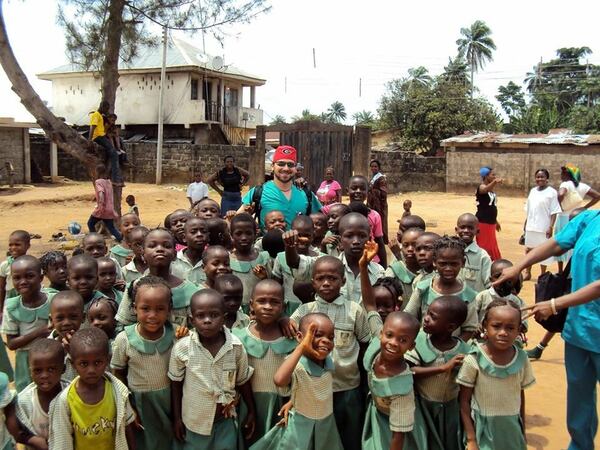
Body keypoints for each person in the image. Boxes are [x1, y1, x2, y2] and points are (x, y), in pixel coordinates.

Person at [494, 207, 600, 450]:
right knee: (580, 402)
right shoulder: (591, 219)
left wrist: (555, 303)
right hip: (580, 329)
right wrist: (519, 266)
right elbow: (556, 244)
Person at [289, 256, 375, 450]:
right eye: (320, 278)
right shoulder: (304, 311)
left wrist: (361, 380)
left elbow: (363, 344)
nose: (326, 283)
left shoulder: (354, 311)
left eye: (332, 278)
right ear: (313, 282)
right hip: (314, 389)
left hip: (347, 386)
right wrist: (282, 321)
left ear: (343, 281)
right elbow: (289, 329)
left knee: (350, 435)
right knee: (321, 437)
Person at [168, 289, 256, 448]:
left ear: (224, 318)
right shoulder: (183, 348)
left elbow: (242, 380)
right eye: (201, 316)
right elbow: (175, 384)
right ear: (192, 320)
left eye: (214, 315)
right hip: (194, 422)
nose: (207, 320)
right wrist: (177, 419)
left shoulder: (235, 347)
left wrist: (251, 411)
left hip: (225, 420)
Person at [251, 313, 343, 450]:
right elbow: (279, 380)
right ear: (300, 337)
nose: (326, 341)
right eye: (317, 335)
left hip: (326, 423)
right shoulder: (296, 365)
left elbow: (312, 389)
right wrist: (301, 347)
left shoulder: (328, 362)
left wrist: (293, 401)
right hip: (301, 424)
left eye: (330, 337)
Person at [457, 299, 535, 450]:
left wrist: (522, 430)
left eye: (510, 328)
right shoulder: (474, 359)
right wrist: (471, 439)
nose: (503, 333)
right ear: (485, 326)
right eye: (496, 326)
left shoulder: (522, 359)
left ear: (519, 330)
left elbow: (520, 395)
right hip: (484, 429)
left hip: (511, 429)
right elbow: (464, 402)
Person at [111, 276, 175, 450]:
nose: (152, 315)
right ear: (134, 308)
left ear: (169, 309)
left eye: (160, 309)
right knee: (145, 442)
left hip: (171, 400)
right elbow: (118, 374)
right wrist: (129, 406)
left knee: (169, 440)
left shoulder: (176, 335)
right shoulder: (124, 340)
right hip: (140, 403)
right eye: (145, 308)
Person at [49, 327, 137, 450]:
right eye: (84, 364)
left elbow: (127, 426)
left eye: (97, 363)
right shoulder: (65, 400)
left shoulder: (118, 392)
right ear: (73, 364)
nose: (91, 370)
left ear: (107, 361)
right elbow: (62, 441)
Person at [232, 280, 296, 444]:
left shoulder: (292, 340)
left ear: (283, 306)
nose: (268, 306)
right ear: (251, 305)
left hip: (282, 404)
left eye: (275, 302)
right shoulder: (238, 337)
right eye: (262, 301)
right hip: (248, 404)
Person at [406, 297, 470, 450]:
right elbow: (410, 371)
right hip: (423, 406)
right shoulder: (419, 341)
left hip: (450, 409)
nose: (426, 319)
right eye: (427, 313)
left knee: (449, 442)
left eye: (433, 317)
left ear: (450, 327)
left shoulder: (464, 351)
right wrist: (443, 368)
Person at [116, 228, 199, 329]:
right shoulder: (134, 287)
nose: (159, 249)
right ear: (143, 254)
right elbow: (123, 324)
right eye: (152, 246)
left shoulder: (191, 291)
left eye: (166, 246)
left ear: (174, 254)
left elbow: (196, 329)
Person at [404, 236, 478, 341]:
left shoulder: (468, 296)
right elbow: (408, 317)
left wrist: (453, 349)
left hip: (453, 351)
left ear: (463, 262)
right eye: (443, 264)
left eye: (454, 264)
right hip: (422, 347)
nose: (448, 269)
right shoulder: (423, 288)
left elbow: (469, 330)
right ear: (434, 262)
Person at [240, 145, 322, 231]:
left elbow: (321, 221)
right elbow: (237, 220)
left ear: (295, 169)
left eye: (290, 165)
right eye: (281, 164)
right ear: (272, 166)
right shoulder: (258, 192)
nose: (286, 168)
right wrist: (247, 218)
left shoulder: (306, 194)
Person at [2, 256, 52, 392]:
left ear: (41, 278)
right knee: (27, 394)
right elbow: (11, 344)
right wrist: (38, 333)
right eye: (17, 278)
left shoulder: (53, 300)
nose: (23, 282)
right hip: (25, 360)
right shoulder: (11, 307)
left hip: (52, 356)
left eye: (29, 276)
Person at [16, 339, 68, 450]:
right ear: (30, 371)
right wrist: (33, 440)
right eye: (38, 370)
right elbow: (17, 429)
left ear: (63, 369)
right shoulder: (24, 400)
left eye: (51, 369)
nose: (44, 375)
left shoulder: (72, 393)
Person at [554, 164, 600, 272]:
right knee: (575, 244)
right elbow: (597, 196)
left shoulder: (565, 184)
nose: (561, 175)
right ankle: (572, 270)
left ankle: (561, 271)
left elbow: (560, 194)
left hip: (564, 217)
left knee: (559, 243)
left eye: (563, 173)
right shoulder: (582, 186)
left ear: (567, 174)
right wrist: (584, 207)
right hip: (578, 217)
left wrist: (559, 206)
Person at [522, 169, 561, 280]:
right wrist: (525, 225)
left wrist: (550, 226)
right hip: (531, 226)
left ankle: (542, 274)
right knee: (529, 250)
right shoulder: (533, 191)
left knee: (543, 251)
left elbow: (554, 211)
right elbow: (529, 210)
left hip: (543, 227)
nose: (539, 179)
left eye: (542, 177)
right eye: (538, 177)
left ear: (547, 179)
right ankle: (528, 272)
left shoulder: (552, 192)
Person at [229, 213, 271, 310]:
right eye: (238, 234)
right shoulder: (228, 260)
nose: (244, 238)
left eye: (248, 233)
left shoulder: (264, 258)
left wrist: (264, 277)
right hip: (236, 309)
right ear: (231, 235)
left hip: (260, 308)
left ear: (255, 234)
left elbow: (271, 284)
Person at [88, 100, 124, 185]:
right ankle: (115, 179)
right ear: (102, 107)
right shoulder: (96, 115)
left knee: (115, 151)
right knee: (114, 154)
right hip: (98, 137)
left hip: (102, 136)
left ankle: (111, 174)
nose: (107, 110)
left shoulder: (100, 115)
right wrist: (89, 140)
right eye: (106, 108)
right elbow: (92, 127)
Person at [456, 213, 492, 293]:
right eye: (462, 227)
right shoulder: (449, 252)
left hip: (474, 303)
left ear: (477, 231)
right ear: (456, 230)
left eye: (470, 228)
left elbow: (489, 284)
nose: (466, 231)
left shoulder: (482, 256)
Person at [88, 164, 122, 242]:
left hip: (102, 209)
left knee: (90, 223)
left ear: (97, 172)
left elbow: (101, 192)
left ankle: (94, 239)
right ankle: (120, 239)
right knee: (111, 227)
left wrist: (101, 202)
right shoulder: (108, 182)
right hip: (110, 209)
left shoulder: (98, 182)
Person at [475, 166, 502, 261]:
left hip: (491, 222)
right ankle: (483, 262)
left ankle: (493, 263)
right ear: (486, 176)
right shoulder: (481, 187)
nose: (494, 177)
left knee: (492, 244)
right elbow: (484, 190)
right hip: (483, 221)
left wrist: (496, 221)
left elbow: (491, 206)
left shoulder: (491, 191)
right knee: (485, 245)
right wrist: (495, 182)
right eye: (492, 175)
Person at [367, 159, 389, 243]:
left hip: (379, 205)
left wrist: (372, 191)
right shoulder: (373, 178)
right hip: (372, 203)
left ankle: (382, 240)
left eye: (375, 166)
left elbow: (384, 193)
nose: (373, 168)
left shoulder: (381, 178)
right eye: (372, 166)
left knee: (380, 221)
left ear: (379, 168)